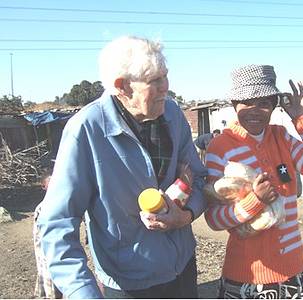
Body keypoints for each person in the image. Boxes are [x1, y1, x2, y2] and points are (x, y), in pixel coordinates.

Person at [37, 35, 207, 299]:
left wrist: (185, 216)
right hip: (129, 285)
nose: (166, 87)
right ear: (122, 86)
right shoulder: (86, 129)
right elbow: (58, 222)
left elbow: (198, 178)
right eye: (155, 81)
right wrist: (83, 292)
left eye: (166, 76)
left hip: (182, 269)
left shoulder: (173, 115)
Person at [204, 64, 303, 299]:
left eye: (264, 103)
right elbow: (213, 219)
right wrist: (255, 201)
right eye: (246, 102)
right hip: (247, 276)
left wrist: (301, 120)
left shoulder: (282, 137)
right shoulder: (221, 148)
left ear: (274, 106)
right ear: (235, 104)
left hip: (291, 274)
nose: (255, 110)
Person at [33, 171, 63, 299]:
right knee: (49, 280)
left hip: (60, 251)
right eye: (50, 184)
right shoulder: (43, 208)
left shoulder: (60, 204)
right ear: (44, 187)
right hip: (47, 253)